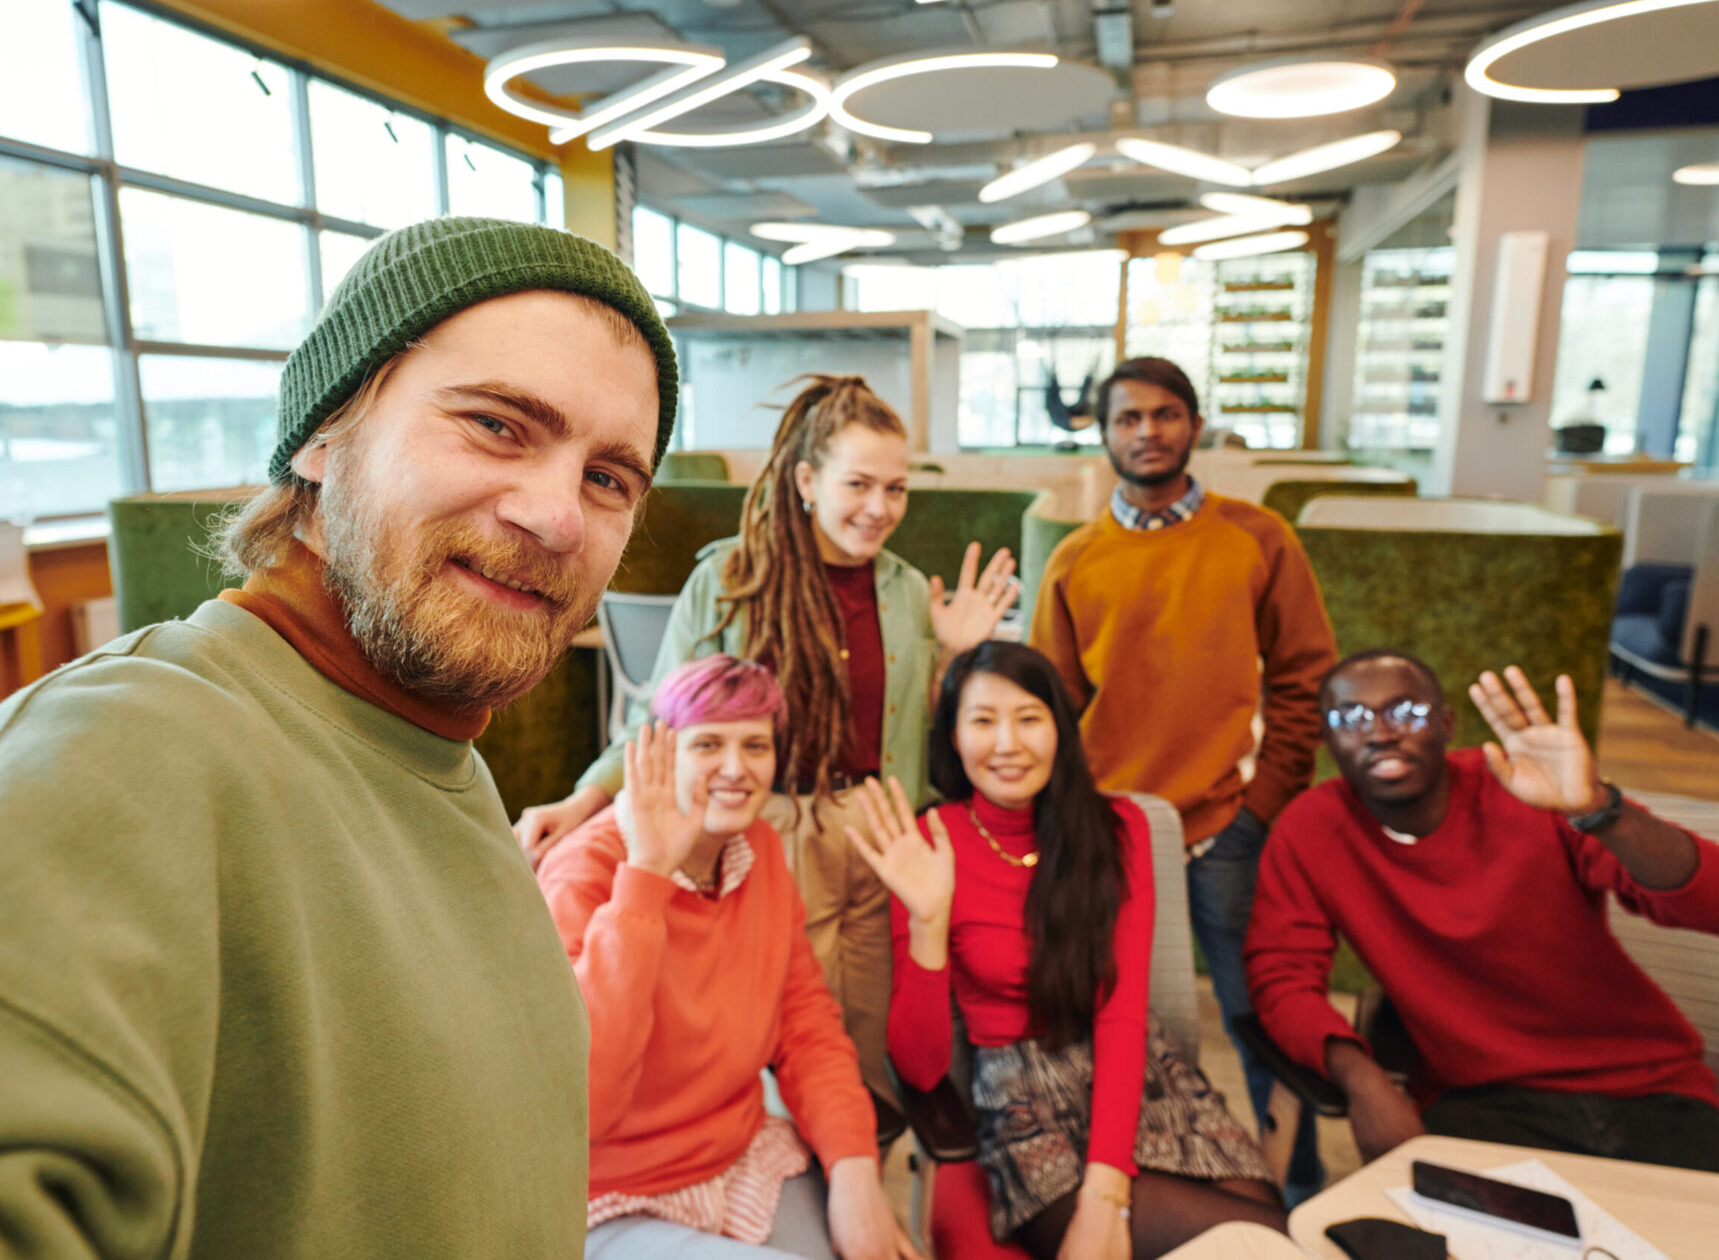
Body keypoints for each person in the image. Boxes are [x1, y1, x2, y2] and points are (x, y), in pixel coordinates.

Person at [0, 217, 681, 1256]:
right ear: (322, 441)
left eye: (610, 477)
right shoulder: (123, 754)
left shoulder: (425, 757)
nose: (558, 514)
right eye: (497, 425)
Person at [518, 375, 1020, 1113]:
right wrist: (587, 795)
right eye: (858, 484)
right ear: (808, 479)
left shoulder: (909, 591)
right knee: (782, 1044)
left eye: (896, 488)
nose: (879, 508)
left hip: (882, 828)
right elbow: (661, 719)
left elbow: (924, 735)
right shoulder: (732, 577)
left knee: (875, 1053)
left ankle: (862, 1190)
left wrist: (953, 659)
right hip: (773, 829)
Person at [1246, 651, 1719, 1177]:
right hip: (1482, 1099)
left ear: (1446, 725)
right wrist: (1362, 1078)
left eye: (1406, 712)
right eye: (1350, 719)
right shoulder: (1312, 828)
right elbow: (1281, 977)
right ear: (1327, 739)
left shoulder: (1525, 790)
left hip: (1647, 1087)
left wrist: (1597, 810)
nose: (1380, 733)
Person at [854, 641, 1286, 1260]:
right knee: (1258, 1244)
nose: (1007, 743)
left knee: (1266, 1237)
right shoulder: (929, 842)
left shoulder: (1117, 830)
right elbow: (920, 1069)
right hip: (1024, 1100)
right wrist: (927, 922)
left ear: (1059, 727)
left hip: (1140, 1077)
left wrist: (1105, 1190)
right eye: (983, 721)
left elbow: (1122, 1009)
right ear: (952, 735)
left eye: (1029, 718)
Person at [1028, 356, 1333, 1198]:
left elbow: (1307, 675)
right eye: (1128, 419)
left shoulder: (1258, 536)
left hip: (1227, 822)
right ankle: (1138, 1183)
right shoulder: (1077, 560)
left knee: (1255, 1015)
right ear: (1105, 436)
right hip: (1115, 826)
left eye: (1165, 415)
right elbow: (1049, 708)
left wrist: (1264, 801)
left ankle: (1299, 1189)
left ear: (1193, 426)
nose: (1147, 432)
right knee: (1110, 1020)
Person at [539, 655, 917, 1259]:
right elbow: (584, 1105)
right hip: (609, 1192)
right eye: (709, 743)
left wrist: (854, 1167)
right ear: (661, 753)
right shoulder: (584, 872)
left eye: (756, 746)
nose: (736, 769)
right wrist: (647, 875)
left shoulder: (757, 849)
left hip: (735, 1156)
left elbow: (806, 1025)